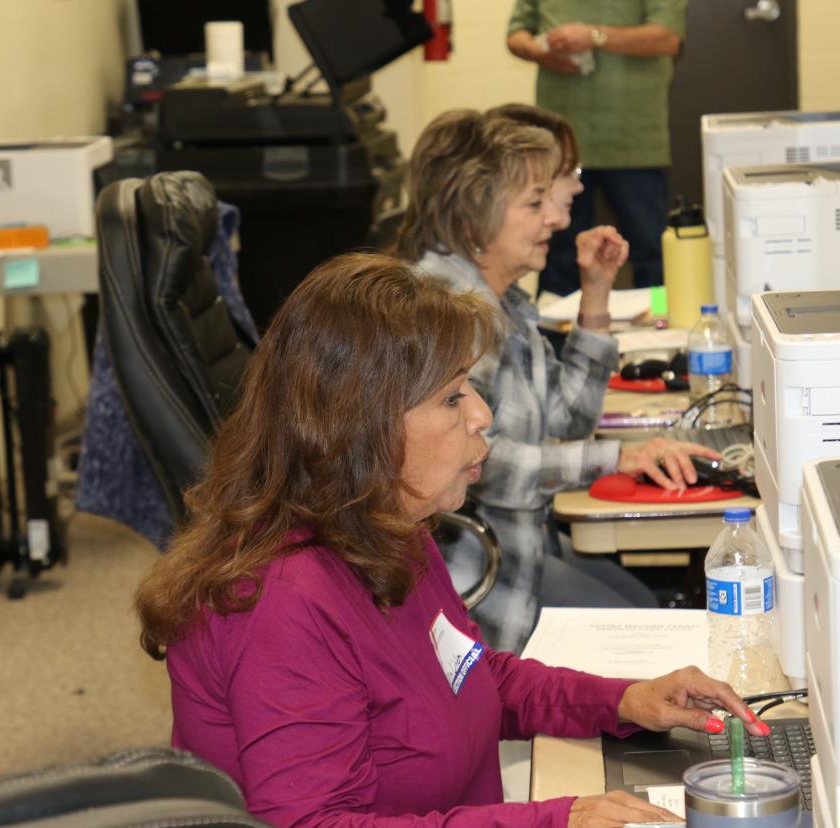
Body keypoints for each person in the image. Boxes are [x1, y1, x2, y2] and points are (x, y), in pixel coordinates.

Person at [137, 252, 771, 827]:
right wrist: (551, 822)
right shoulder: (282, 600)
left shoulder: (385, 526)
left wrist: (623, 700)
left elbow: (467, 675)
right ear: (362, 426)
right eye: (451, 398)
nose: (482, 416)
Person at [396, 108, 717, 652]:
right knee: (644, 639)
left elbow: (567, 420)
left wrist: (596, 297)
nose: (559, 219)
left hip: (523, 546)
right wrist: (619, 459)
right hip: (476, 573)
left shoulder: (503, 302)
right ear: (476, 213)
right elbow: (477, 464)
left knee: (644, 608)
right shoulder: (452, 311)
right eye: (534, 203)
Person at [507, 0, 687, 297]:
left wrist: (594, 36)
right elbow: (516, 34)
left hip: (633, 139)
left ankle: (660, 325)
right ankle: (551, 337)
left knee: (652, 252)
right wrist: (538, 51)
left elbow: (667, 38)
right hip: (559, 144)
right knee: (554, 250)